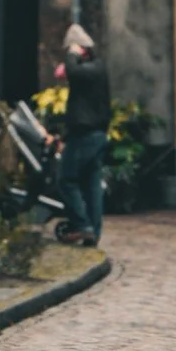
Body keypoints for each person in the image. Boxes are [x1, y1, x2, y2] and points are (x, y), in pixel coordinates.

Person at [58, 23, 113, 246]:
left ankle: (82, 225)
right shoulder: (98, 69)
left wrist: (72, 52)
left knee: (66, 180)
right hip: (96, 133)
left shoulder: (91, 69)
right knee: (91, 185)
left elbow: (73, 71)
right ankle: (94, 233)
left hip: (85, 134)